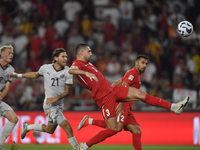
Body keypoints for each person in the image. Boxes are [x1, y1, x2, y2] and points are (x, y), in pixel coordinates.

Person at [68, 43, 189, 150]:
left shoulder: (87, 63)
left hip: (112, 91)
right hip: (103, 97)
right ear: (81, 52)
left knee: (141, 95)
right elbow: (71, 70)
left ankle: (174, 107)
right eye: (89, 51)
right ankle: (84, 146)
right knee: (114, 128)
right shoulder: (77, 64)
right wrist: (85, 73)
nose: (91, 53)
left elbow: (117, 82)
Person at [10, 48, 79, 150]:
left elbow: (67, 92)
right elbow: (35, 74)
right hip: (49, 105)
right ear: (55, 58)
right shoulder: (45, 68)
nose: (65, 59)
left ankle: (27, 127)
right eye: (63, 56)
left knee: (49, 129)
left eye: (66, 57)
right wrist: (18, 75)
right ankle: (78, 148)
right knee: (68, 127)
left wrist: (56, 98)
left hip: (58, 104)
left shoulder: (68, 71)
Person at [77, 55, 149, 150]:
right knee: (116, 128)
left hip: (127, 106)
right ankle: (85, 146)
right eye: (142, 63)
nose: (144, 65)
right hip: (123, 104)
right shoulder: (133, 73)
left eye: (146, 64)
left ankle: (90, 121)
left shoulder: (134, 75)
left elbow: (116, 83)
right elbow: (125, 85)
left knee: (137, 130)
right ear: (136, 63)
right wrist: (119, 102)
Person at [0, 45, 18, 150]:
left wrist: (1, 97)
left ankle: (0, 144)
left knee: (13, 118)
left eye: (12, 53)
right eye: (9, 53)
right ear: (2, 54)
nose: (11, 55)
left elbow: (7, 88)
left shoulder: (11, 69)